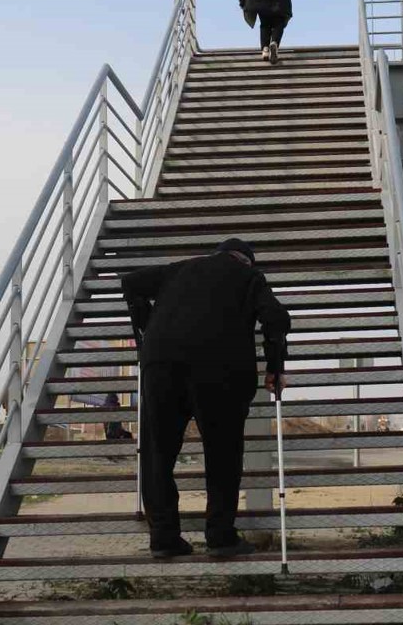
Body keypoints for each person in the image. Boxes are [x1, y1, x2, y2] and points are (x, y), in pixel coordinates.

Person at [121, 238, 291, 559]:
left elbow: (131, 283)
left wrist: (146, 325)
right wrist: (275, 367)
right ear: (246, 261)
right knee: (223, 452)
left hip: (161, 364)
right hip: (220, 369)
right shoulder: (248, 276)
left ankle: (164, 537)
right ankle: (220, 537)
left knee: (158, 452)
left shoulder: (179, 269)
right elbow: (277, 318)